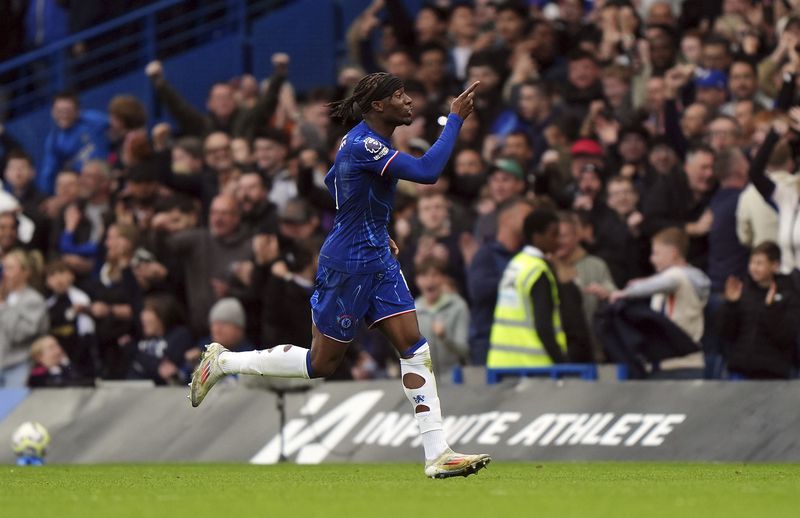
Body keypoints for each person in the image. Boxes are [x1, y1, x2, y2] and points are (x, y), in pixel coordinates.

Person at [189, 72, 490, 478]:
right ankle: (224, 361)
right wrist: (454, 119)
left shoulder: (366, 143)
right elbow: (427, 172)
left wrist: (376, 226)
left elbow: (336, 182)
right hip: (348, 264)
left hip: (378, 260)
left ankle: (437, 452)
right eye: (399, 95)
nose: (408, 100)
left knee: (413, 347)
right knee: (321, 363)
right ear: (377, 106)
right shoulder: (365, 143)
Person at [487, 209, 567, 368]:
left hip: (501, 364)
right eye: (553, 234)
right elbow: (543, 325)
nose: (558, 241)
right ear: (537, 237)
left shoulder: (516, 264)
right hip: (534, 365)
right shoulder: (537, 271)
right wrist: (562, 363)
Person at [720, 242, 800, 379]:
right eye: (751, 262)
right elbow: (726, 333)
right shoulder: (742, 291)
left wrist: (771, 308)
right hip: (741, 370)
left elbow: (786, 336)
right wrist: (731, 304)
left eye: (759, 263)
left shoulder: (789, 295)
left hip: (773, 373)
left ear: (775, 265)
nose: (754, 268)